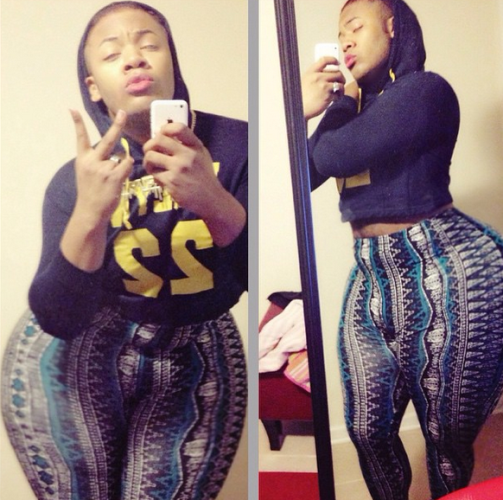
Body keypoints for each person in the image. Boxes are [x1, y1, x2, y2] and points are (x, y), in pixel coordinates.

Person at [1, 2, 247, 499]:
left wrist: (212, 199)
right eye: (112, 54)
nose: (134, 57)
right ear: (93, 86)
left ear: (172, 62)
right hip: (74, 357)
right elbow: (57, 316)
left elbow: (252, 276)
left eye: (150, 44)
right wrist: (89, 213)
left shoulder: (239, 146)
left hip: (193, 352)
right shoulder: (78, 179)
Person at [301, 0, 503, 499]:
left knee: (445, 436)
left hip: (446, 264)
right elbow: (301, 174)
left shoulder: (424, 90)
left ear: (392, 27)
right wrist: (305, 110)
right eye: (338, 33)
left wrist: (337, 103)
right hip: (372, 273)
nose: (345, 40)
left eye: (355, 26)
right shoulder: (350, 111)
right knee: (366, 430)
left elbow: (335, 155)